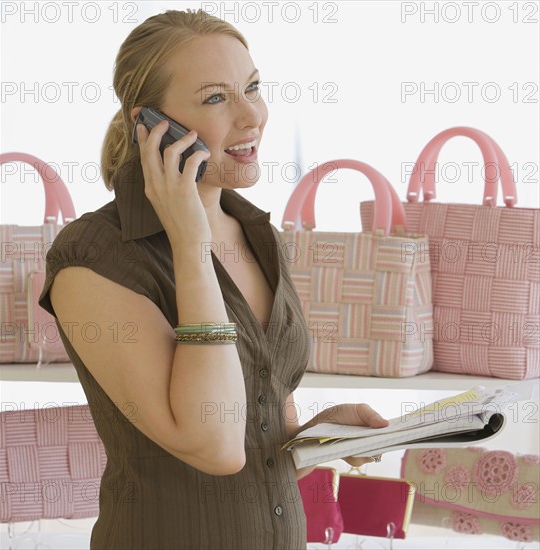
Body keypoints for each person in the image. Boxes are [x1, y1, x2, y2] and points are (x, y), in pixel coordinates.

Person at [39, 9, 389, 550]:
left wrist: (317, 435)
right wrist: (189, 243)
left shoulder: (256, 232)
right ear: (151, 124)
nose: (252, 117)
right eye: (216, 98)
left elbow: (254, 441)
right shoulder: (95, 259)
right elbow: (214, 446)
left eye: (253, 87)